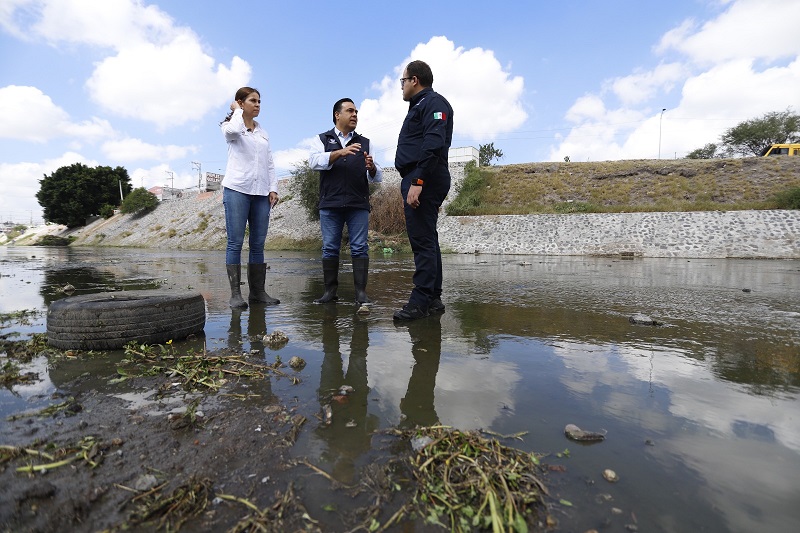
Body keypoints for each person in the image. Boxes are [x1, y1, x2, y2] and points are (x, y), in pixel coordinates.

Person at [393, 60, 453, 320]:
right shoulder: (420, 105)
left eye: (403, 81)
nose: (402, 86)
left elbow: (433, 143)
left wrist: (418, 182)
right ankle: (434, 298)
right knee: (428, 237)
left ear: (414, 80)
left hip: (424, 176)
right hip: (423, 175)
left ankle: (419, 302)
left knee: (422, 240)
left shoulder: (433, 103)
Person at [308, 98, 383, 305]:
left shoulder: (366, 142)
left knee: (359, 247)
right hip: (330, 203)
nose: (355, 115)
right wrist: (338, 153)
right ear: (337, 115)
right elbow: (313, 162)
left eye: (356, 112)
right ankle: (330, 292)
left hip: (358, 203)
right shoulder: (322, 139)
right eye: (350, 111)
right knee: (330, 248)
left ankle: (360, 293)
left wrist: (372, 168)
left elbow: (377, 178)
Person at [220, 86, 280, 309]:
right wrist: (236, 110)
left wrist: (273, 188)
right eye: (252, 101)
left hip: (261, 193)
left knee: (258, 244)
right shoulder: (230, 126)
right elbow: (233, 131)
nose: (257, 105)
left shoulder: (263, 133)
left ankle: (258, 293)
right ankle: (235, 294)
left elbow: (270, 163)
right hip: (237, 190)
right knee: (235, 243)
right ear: (240, 102)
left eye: (259, 101)